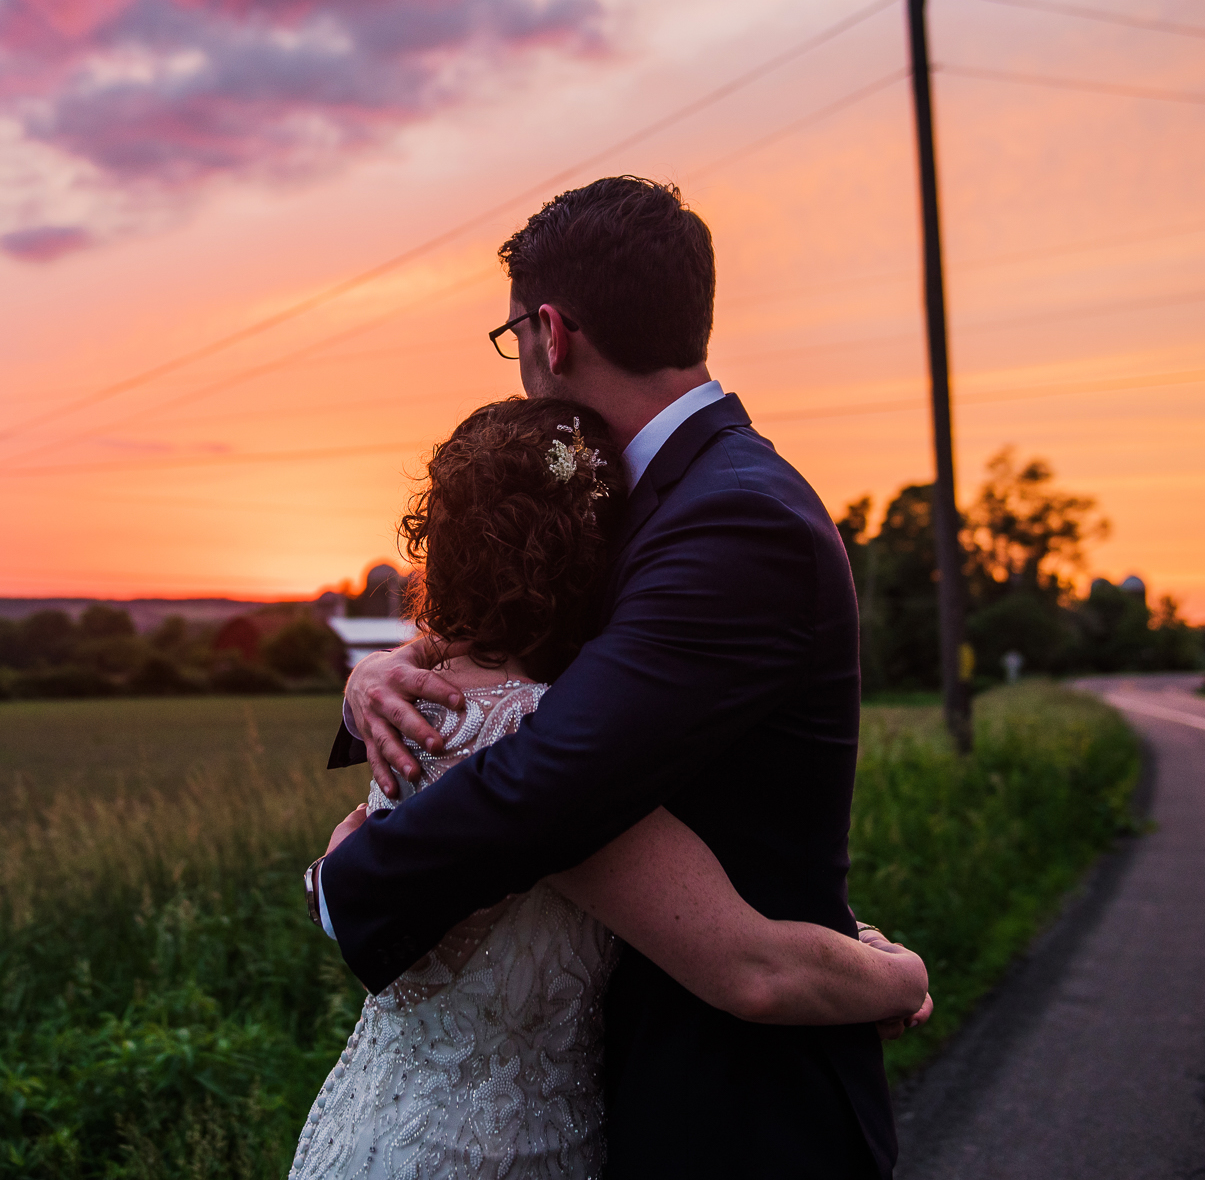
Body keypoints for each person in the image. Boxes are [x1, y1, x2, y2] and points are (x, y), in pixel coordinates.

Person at [313, 176, 904, 1176]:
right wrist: (385, 665)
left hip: (737, 1107)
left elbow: (554, 770)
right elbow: (536, 648)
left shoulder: (734, 515)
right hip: (630, 1073)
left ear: (550, 329)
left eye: (511, 341)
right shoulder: (644, 497)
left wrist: (348, 880)